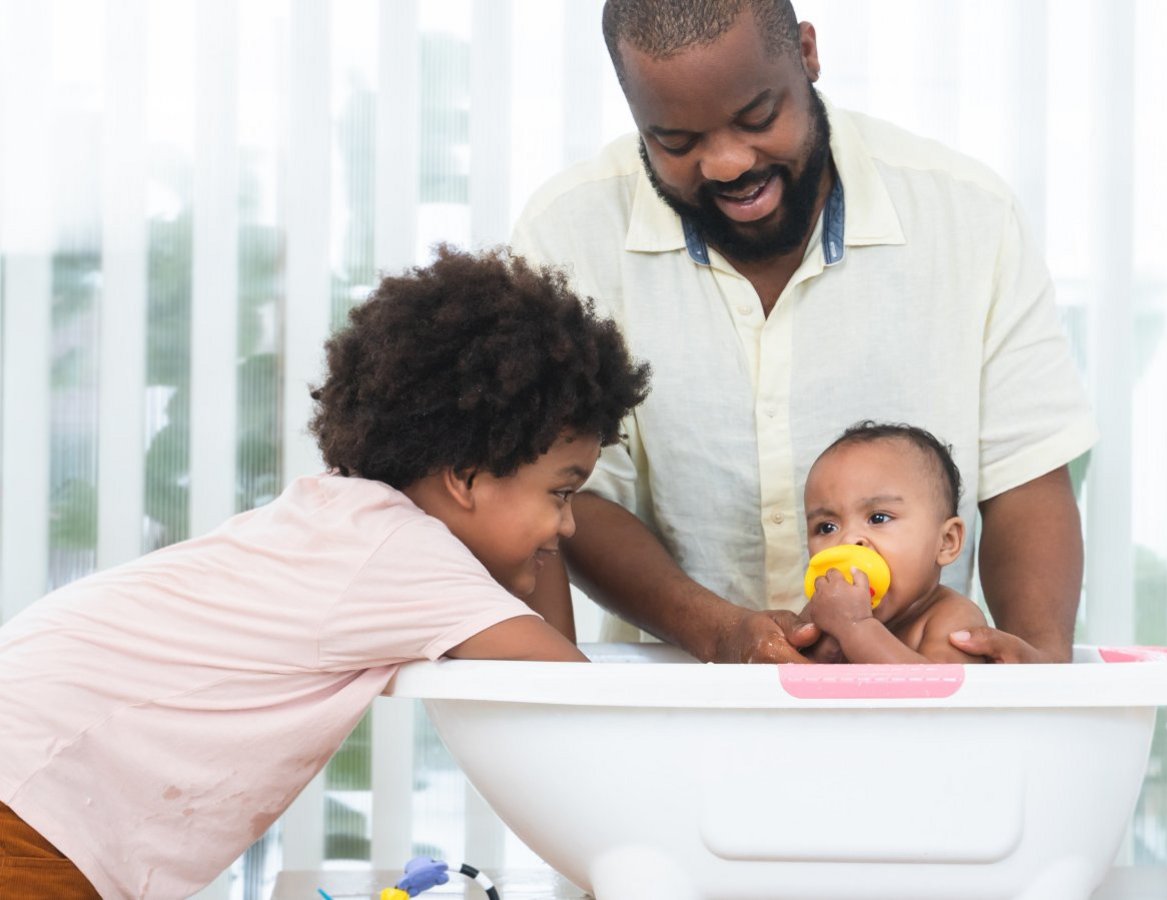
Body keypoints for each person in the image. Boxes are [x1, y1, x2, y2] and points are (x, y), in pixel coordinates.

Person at [0, 247, 650, 898]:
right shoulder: (405, 556)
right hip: (32, 802)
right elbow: (568, 686)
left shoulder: (346, 518)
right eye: (561, 494)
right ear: (464, 477)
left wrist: (535, 531)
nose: (568, 527)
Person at [510, 0, 1095, 665]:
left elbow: (1027, 475)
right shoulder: (567, 234)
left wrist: (1041, 679)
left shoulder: (969, 215)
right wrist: (720, 632)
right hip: (680, 700)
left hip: (926, 711)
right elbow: (572, 496)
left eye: (757, 117)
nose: (727, 163)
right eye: (675, 142)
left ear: (808, 54)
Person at [800, 422, 988, 664]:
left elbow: (935, 686)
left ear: (946, 542)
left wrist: (855, 627)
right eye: (827, 527)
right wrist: (817, 650)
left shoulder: (952, 617)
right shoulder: (825, 610)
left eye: (878, 518)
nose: (847, 541)